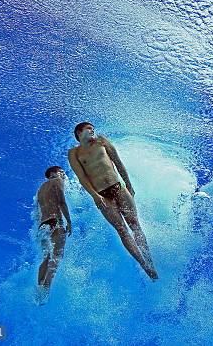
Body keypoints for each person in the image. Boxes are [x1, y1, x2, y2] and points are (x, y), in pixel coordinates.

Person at [67, 122, 158, 280]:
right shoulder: (74, 153)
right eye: (89, 129)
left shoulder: (102, 141)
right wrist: (95, 196)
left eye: (93, 129)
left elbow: (118, 162)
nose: (93, 131)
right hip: (102, 194)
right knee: (122, 230)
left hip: (118, 187)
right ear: (79, 133)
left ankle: (149, 260)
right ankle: (145, 266)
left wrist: (129, 185)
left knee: (134, 224)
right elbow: (82, 177)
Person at [35, 166, 71, 303]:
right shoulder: (57, 181)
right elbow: (61, 201)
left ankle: (39, 289)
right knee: (57, 256)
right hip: (55, 222)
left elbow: (38, 213)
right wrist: (69, 222)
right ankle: (46, 289)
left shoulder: (40, 189)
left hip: (42, 226)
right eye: (61, 172)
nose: (63, 174)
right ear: (53, 173)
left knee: (46, 258)